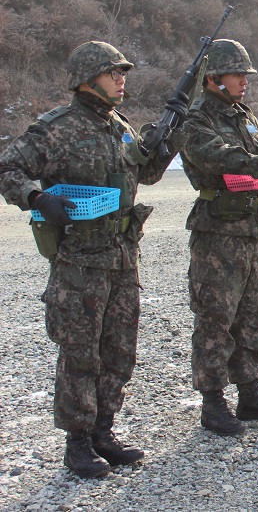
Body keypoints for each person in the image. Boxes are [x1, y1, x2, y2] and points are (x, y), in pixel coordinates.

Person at [0, 42, 178, 477]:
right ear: (86, 79)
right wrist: (36, 197)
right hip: (79, 262)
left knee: (120, 350)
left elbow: (147, 174)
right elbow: (7, 167)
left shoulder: (119, 126)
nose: (121, 80)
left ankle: (104, 430)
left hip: (121, 257)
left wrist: (165, 140)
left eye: (122, 73)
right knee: (81, 352)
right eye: (112, 72)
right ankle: (77, 442)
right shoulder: (57, 129)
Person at [178, 39, 258, 436]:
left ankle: (250, 391)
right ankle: (213, 402)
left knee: (255, 312)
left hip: (250, 226)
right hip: (217, 232)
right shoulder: (197, 120)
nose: (245, 81)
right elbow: (220, 157)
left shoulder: (241, 113)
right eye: (238, 75)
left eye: (246, 75)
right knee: (216, 318)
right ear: (214, 78)